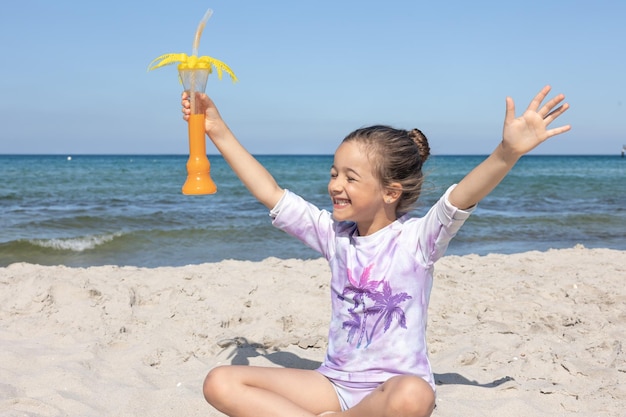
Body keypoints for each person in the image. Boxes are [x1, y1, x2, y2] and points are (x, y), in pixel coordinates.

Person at [181, 85, 570, 417]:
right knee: (220, 381)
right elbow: (271, 193)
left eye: (351, 177)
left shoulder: (419, 240)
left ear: (390, 192)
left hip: (388, 393)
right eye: (334, 172)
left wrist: (507, 152)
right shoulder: (333, 236)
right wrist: (216, 129)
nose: (336, 184)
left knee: (416, 395)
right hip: (332, 385)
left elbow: (460, 198)